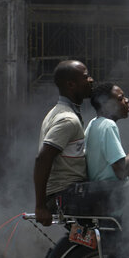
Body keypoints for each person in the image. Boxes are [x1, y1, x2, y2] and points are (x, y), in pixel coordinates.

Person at [33, 60, 94, 226]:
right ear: (71, 84)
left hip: (66, 191)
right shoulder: (67, 119)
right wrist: (40, 206)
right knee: (128, 191)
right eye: (86, 77)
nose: (91, 80)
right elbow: (43, 158)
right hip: (66, 193)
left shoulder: (58, 112)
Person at [85, 82, 129, 181]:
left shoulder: (93, 123)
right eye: (121, 99)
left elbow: (115, 166)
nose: (127, 100)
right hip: (108, 191)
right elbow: (122, 172)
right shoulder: (108, 125)